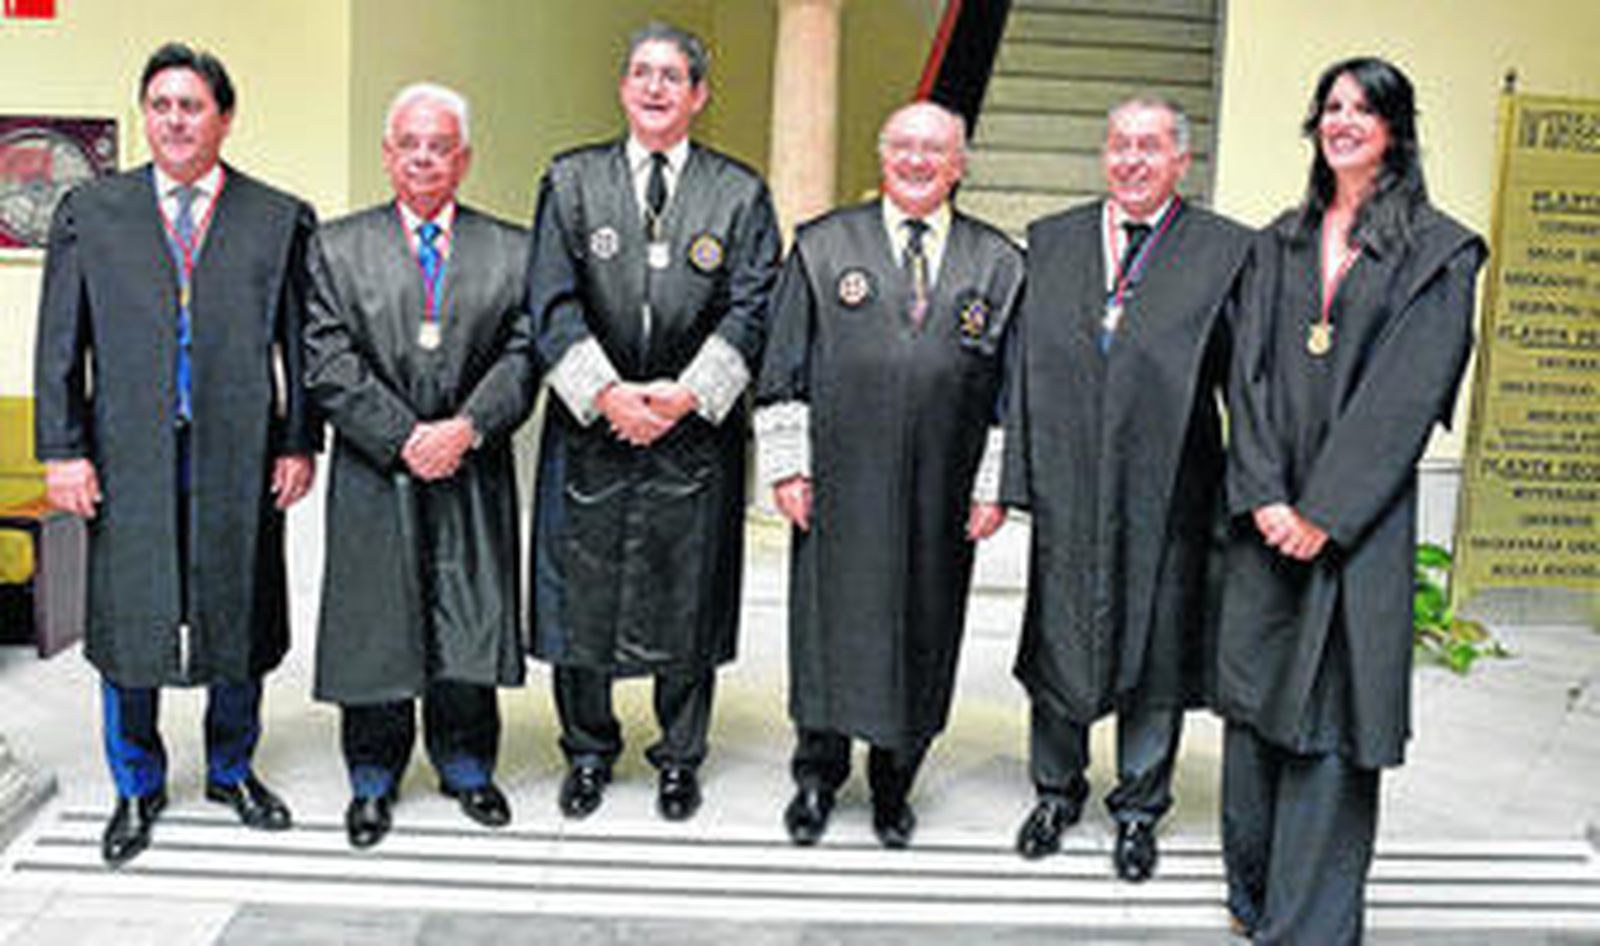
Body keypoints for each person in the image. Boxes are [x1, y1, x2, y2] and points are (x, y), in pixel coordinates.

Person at [1218, 57, 1485, 942]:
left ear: (1395, 130)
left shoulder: (1440, 252)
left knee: (1330, 725)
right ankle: (1254, 899)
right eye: (1332, 106)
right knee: (1256, 716)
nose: (1344, 121)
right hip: (1268, 520)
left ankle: (1311, 927)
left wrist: (1325, 511)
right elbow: (1244, 377)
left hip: (1353, 527)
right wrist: (1263, 495)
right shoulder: (1277, 242)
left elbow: (1408, 393)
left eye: (1364, 110)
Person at [33, 42, 317, 867]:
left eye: (192, 106)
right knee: (129, 613)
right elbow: (60, 342)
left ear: (224, 118)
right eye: (160, 105)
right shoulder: (94, 212)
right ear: (144, 115)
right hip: (126, 453)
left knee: (242, 601)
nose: (175, 120)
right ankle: (137, 783)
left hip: (241, 448)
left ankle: (232, 769)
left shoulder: (276, 216)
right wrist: (63, 450)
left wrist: (299, 438)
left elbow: (300, 346)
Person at [525, 22, 781, 823]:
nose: (655, 88)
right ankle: (589, 750)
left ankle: (679, 757)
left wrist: (683, 395)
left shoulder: (739, 193)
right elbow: (550, 302)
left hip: (693, 436)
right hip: (592, 426)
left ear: (699, 95)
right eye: (641, 73)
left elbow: (753, 305)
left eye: (673, 76)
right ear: (623, 87)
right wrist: (608, 395)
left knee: (688, 597)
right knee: (582, 596)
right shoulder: (571, 182)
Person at [755, 101, 1022, 850]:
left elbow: (1012, 388)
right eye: (902, 145)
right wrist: (788, 466)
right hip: (840, 479)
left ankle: (893, 782)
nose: (917, 160)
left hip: (943, 488)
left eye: (934, 149)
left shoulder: (1000, 263)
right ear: (882, 156)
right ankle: (816, 775)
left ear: (959, 164)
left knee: (925, 625)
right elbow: (783, 366)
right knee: (829, 623)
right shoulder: (821, 245)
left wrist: (992, 483)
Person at [1003, 97, 1251, 880]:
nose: (1133, 160)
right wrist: (1013, 481)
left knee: (1158, 643)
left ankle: (1140, 806)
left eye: (1150, 147)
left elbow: (1251, 381)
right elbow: (1016, 372)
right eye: (1119, 145)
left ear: (1182, 160)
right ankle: (1055, 789)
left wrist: (1253, 493)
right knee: (1058, 633)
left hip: (1172, 486)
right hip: (1070, 477)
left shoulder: (1226, 252)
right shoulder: (1054, 241)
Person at [304, 83, 533, 849]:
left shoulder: (513, 249)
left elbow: (525, 352)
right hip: (378, 468)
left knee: (469, 615)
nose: (425, 157)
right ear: (388, 153)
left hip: (471, 463)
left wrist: (465, 428)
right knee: (376, 621)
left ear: (464, 158)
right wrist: (405, 436)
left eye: (441, 145)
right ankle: (372, 777)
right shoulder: (335, 247)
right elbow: (327, 359)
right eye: (411, 143)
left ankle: (467, 767)